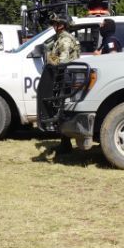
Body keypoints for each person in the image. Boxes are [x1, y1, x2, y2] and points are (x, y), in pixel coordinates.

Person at [34, 11, 82, 159]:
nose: (54, 26)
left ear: (61, 25)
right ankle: (64, 142)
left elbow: (63, 61)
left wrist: (51, 61)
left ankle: (65, 144)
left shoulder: (65, 40)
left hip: (65, 78)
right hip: (62, 78)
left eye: (56, 23)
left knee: (62, 110)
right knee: (60, 110)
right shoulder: (59, 39)